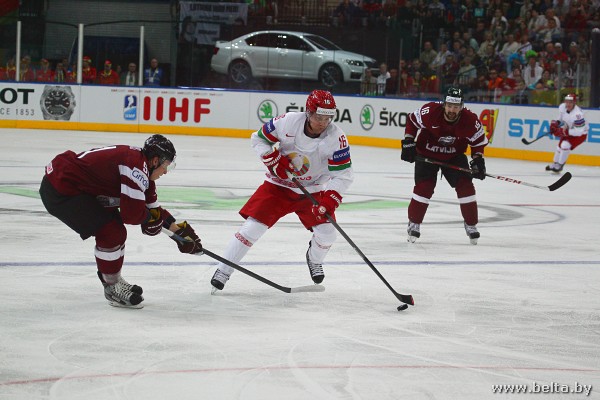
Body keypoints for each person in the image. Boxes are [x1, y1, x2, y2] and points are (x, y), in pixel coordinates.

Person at [210, 90, 354, 291]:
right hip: (278, 186)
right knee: (252, 228)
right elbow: (258, 138)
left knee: (328, 233)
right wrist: (272, 159)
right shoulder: (287, 122)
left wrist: (330, 199)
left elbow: (343, 174)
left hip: (311, 190)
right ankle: (223, 269)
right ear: (308, 112)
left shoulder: (336, 138)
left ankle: (314, 259)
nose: (323, 122)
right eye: (319, 117)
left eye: (328, 117)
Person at [39, 135, 203, 308]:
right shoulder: (136, 169)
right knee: (111, 231)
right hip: (61, 189)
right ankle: (112, 286)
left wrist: (178, 234)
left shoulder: (141, 168)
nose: (166, 172)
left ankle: (114, 280)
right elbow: (132, 214)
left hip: (73, 186)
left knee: (114, 229)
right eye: (166, 166)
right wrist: (149, 219)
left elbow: (155, 211)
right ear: (155, 160)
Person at [400, 87, 488, 245]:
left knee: (465, 186)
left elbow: (478, 142)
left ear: (461, 106)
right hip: (426, 154)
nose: (452, 110)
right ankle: (414, 223)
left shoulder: (470, 120)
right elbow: (412, 121)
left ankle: (471, 224)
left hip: (454, 156)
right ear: (444, 104)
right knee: (424, 188)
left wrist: (478, 160)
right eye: (449, 106)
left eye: (456, 107)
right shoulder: (430, 111)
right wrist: (408, 141)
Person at [545, 93, 588, 172]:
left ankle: (560, 165)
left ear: (574, 102)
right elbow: (561, 118)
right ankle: (555, 163)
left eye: (570, 102)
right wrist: (556, 123)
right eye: (567, 101)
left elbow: (579, 132)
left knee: (565, 145)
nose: (568, 104)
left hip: (580, 135)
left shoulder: (578, 115)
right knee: (559, 147)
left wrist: (564, 132)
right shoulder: (562, 107)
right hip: (569, 130)